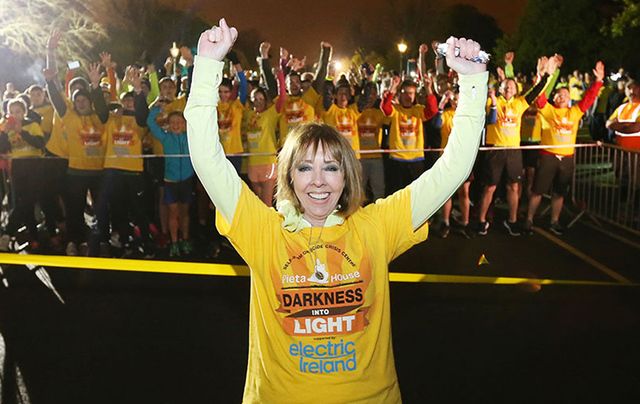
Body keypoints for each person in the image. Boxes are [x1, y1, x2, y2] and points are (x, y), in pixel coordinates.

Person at [186, 19, 487, 403]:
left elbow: (453, 169)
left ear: (347, 177)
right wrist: (208, 66)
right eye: (305, 167)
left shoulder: (376, 226)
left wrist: (474, 83)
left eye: (331, 167)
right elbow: (208, 160)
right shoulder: (262, 230)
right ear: (288, 177)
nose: (318, 181)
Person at [524, 60, 605, 236]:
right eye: (559, 95)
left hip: (567, 159)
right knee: (538, 190)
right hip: (548, 156)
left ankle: (554, 221)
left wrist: (598, 81)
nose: (562, 97)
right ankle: (529, 219)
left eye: (565, 95)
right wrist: (544, 75)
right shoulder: (549, 110)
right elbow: (540, 98)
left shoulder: (574, 112)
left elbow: (589, 99)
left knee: (559, 193)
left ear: (570, 99)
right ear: (554, 98)